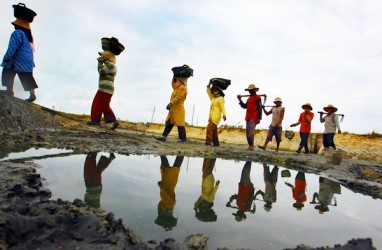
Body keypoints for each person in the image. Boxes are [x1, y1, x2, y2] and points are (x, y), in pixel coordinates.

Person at [1, 3, 38, 102]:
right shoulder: (29, 37)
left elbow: (13, 46)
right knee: (26, 76)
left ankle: (9, 90)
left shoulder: (17, 33)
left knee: (7, 71)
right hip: (28, 61)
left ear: (17, 26)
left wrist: (7, 57)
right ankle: (32, 94)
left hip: (17, 59)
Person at [87, 46, 120, 129]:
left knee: (97, 103)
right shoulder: (109, 65)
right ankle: (113, 121)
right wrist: (102, 63)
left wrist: (100, 63)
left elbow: (101, 72)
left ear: (108, 57)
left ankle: (95, 121)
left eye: (103, 56)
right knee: (105, 106)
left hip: (105, 88)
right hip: (107, 89)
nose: (101, 58)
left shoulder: (111, 66)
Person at [155, 155, 184, 231]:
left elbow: (163, 197)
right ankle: (181, 153)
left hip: (165, 182)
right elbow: (167, 194)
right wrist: (161, 187)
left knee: (166, 166)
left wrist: (162, 187)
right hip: (170, 183)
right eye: (166, 213)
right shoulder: (170, 204)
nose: (164, 212)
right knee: (175, 168)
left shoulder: (163, 205)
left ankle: (163, 153)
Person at [155, 77, 188, 142]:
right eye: (175, 81)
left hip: (178, 109)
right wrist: (174, 76)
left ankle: (183, 138)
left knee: (180, 124)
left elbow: (179, 97)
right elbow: (172, 83)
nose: (175, 83)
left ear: (180, 82)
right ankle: (163, 136)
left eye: (177, 81)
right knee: (169, 122)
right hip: (173, 109)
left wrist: (171, 103)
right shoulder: (176, 88)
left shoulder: (183, 88)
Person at [237, 84, 262, 150]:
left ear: (254, 90)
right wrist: (240, 100)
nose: (250, 92)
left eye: (251, 90)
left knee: (251, 132)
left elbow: (260, 108)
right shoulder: (249, 99)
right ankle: (250, 145)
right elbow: (244, 106)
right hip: (248, 117)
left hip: (254, 117)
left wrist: (259, 118)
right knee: (248, 132)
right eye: (249, 90)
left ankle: (251, 146)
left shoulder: (258, 98)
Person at [194, 158, 220, 222]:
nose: (202, 204)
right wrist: (217, 185)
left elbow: (196, 203)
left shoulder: (203, 198)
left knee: (208, 168)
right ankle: (210, 155)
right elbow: (214, 192)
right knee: (207, 168)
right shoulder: (210, 200)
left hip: (204, 180)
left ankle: (212, 156)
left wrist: (195, 209)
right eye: (203, 205)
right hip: (209, 181)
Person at [205, 81, 226, 146]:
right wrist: (208, 86)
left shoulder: (220, 98)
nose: (214, 91)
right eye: (213, 90)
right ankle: (216, 143)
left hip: (216, 116)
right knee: (214, 130)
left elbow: (222, 107)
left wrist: (224, 114)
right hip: (211, 116)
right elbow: (208, 93)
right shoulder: (213, 98)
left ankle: (208, 141)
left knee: (209, 128)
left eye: (215, 90)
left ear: (219, 91)